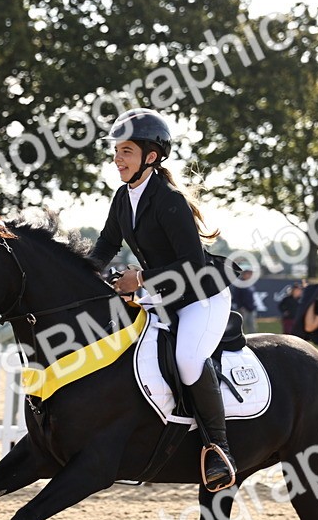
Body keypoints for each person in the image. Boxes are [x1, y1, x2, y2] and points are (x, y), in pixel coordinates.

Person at [89, 108, 236, 492]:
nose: (117, 159)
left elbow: (193, 264)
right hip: (163, 294)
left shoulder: (169, 200)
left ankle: (219, 450)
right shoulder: (124, 197)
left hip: (201, 295)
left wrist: (140, 278)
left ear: (150, 157)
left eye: (126, 152)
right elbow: (105, 245)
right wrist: (82, 274)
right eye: (117, 151)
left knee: (187, 361)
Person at [230, 267, 258, 334]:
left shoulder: (249, 284)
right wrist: (240, 306)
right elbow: (236, 297)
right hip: (243, 309)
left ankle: (253, 340)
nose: (250, 275)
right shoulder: (239, 284)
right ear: (244, 274)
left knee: (252, 327)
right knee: (241, 327)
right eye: (249, 273)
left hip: (250, 308)